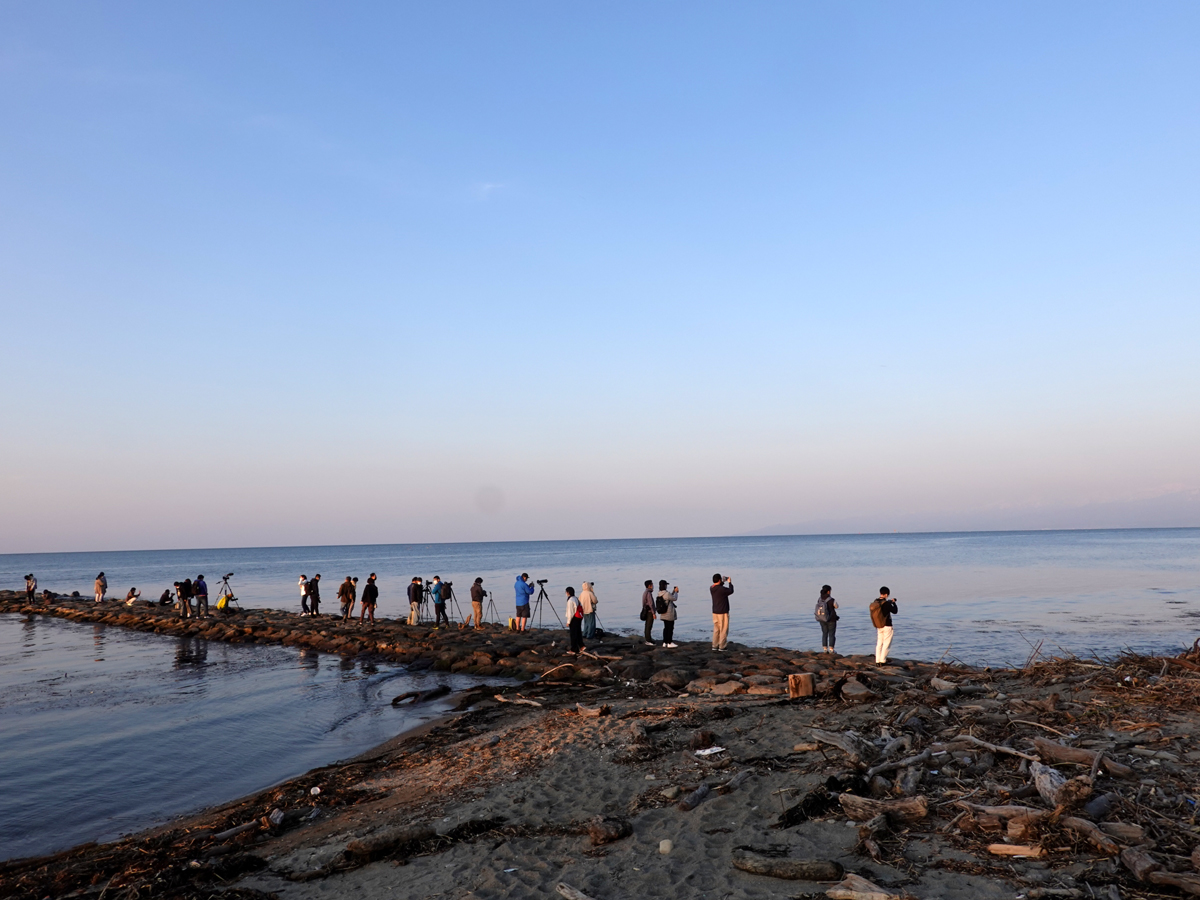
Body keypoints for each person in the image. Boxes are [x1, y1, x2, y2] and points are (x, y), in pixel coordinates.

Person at [871, 587, 898, 664]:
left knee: (879, 643)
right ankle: (882, 660)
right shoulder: (886, 603)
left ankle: (877, 660)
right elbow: (895, 611)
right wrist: (893, 603)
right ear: (886, 594)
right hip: (887, 626)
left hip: (879, 625)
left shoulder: (876, 602)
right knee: (886, 644)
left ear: (880, 593)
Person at [710, 573, 734, 651]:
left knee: (716, 629)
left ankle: (715, 645)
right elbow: (731, 591)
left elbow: (719, 587)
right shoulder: (722, 589)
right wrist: (730, 582)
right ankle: (722, 646)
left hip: (715, 612)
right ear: (719, 580)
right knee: (723, 629)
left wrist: (723, 582)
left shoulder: (712, 588)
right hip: (722, 612)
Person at [816, 584, 839, 653]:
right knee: (831, 634)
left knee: (824, 633)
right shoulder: (831, 600)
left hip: (822, 618)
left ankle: (825, 649)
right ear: (828, 591)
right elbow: (837, 606)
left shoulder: (819, 599)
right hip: (831, 619)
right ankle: (831, 649)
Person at [658, 580, 679, 648]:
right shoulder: (666, 593)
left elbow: (670, 598)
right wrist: (676, 592)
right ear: (665, 586)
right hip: (669, 613)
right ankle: (669, 642)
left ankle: (664, 642)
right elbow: (674, 598)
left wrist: (673, 592)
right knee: (670, 628)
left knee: (665, 628)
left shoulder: (660, 593)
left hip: (663, 613)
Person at [565, 587, 584, 654]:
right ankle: (581, 646)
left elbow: (571, 612)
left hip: (574, 618)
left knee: (573, 634)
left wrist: (568, 622)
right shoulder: (576, 598)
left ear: (568, 592)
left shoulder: (570, 600)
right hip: (579, 617)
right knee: (578, 632)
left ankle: (574, 649)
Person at [641, 580, 657, 646]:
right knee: (649, 626)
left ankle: (648, 639)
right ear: (649, 586)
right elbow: (651, 604)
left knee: (647, 625)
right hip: (650, 611)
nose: (653, 586)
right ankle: (648, 640)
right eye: (652, 584)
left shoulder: (645, 592)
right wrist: (653, 613)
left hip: (646, 610)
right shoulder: (648, 593)